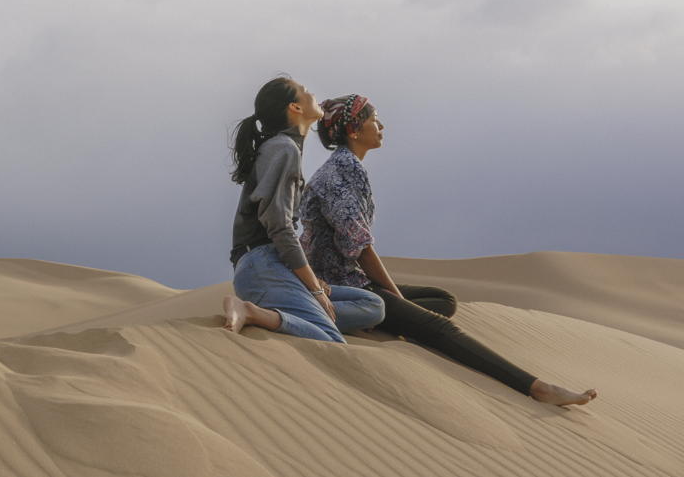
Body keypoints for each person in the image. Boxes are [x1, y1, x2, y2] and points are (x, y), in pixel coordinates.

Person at [299, 93, 598, 406]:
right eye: (374, 120)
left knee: (444, 300)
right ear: (354, 131)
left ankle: (381, 320)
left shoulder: (343, 168)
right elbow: (360, 246)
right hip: (340, 286)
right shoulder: (342, 172)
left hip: (348, 279)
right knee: (439, 327)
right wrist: (397, 300)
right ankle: (538, 387)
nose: (382, 125)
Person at [222, 76, 385, 342]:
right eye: (305, 91)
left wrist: (312, 283)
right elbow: (280, 227)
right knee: (331, 340)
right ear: (295, 108)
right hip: (262, 266)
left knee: (373, 305)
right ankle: (254, 313)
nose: (313, 95)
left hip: (273, 264)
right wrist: (315, 289)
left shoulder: (284, 148)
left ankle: (300, 314)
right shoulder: (283, 149)